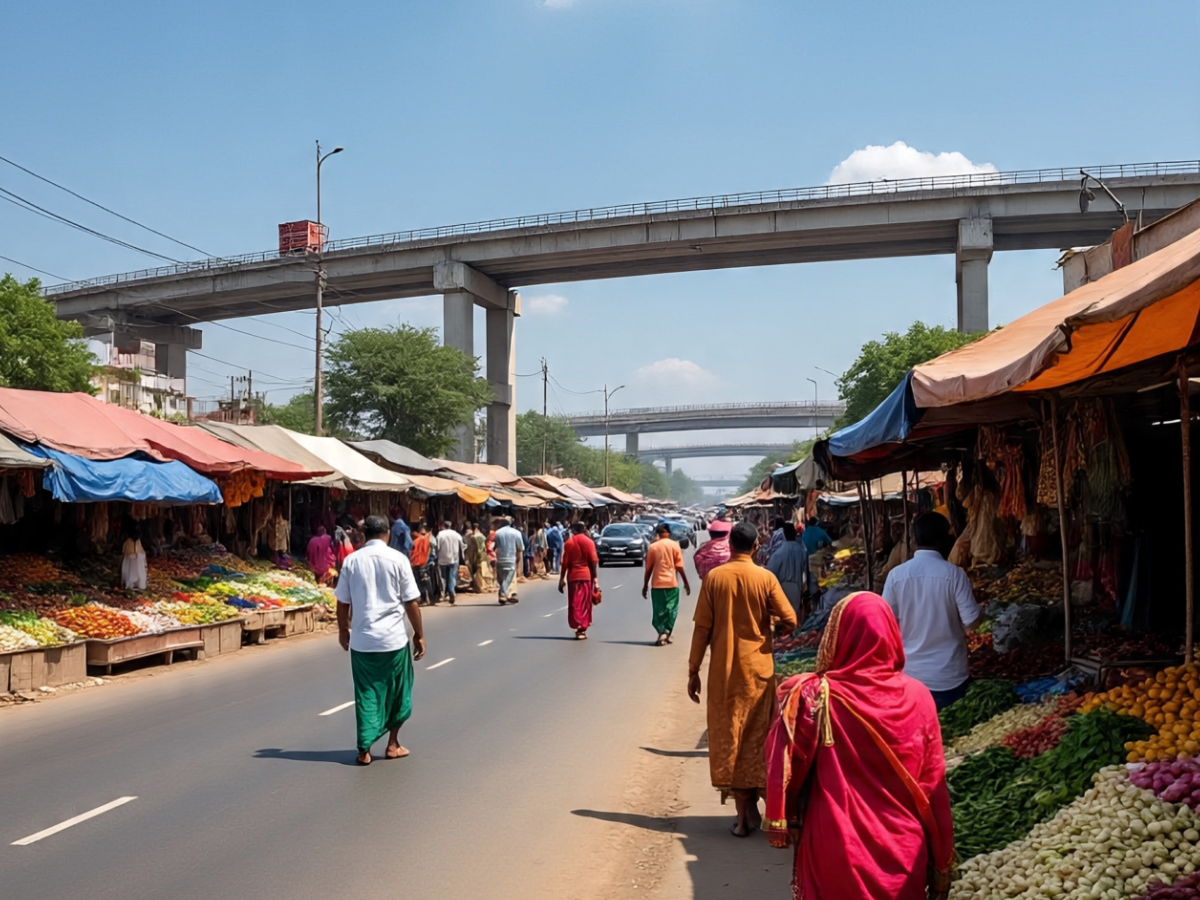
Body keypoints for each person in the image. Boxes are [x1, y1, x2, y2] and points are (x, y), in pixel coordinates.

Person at [765, 592, 954, 900]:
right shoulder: (920, 698)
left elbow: (787, 768)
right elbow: (934, 787)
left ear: (838, 636)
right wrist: (942, 861)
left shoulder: (816, 696)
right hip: (903, 853)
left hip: (836, 848)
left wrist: (791, 817)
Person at [687, 521, 798, 837]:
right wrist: (769, 629)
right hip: (758, 672)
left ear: (730, 545)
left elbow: (702, 630)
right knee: (758, 740)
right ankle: (764, 810)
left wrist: (693, 670)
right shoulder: (765, 578)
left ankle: (742, 818)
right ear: (756, 547)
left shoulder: (714, 578)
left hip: (723, 674)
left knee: (730, 739)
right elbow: (791, 618)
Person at [335, 516, 427, 766]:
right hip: (393, 641)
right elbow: (411, 602)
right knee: (397, 692)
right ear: (387, 533)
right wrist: (418, 635)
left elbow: (342, 603)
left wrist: (343, 631)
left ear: (364, 535)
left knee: (366, 694)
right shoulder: (398, 559)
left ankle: (364, 749)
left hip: (363, 642)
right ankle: (393, 744)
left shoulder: (351, 561)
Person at [882, 512, 981, 710]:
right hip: (949, 676)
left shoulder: (896, 576)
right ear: (942, 538)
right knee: (954, 736)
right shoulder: (954, 575)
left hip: (911, 674)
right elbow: (972, 621)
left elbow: (884, 622)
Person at [641, 522, 691, 646]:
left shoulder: (653, 547)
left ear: (658, 533)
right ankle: (666, 632)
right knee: (671, 609)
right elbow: (679, 567)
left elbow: (649, 569)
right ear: (668, 532)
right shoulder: (675, 546)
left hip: (657, 584)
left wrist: (645, 585)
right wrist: (686, 583)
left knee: (659, 610)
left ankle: (662, 633)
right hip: (671, 584)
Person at [558, 521, 598, 640]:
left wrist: (561, 579)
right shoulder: (589, 542)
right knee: (585, 603)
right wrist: (595, 578)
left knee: (575, 603)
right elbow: (593, 561)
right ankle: (582, 629)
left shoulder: (569, 543)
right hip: (586, 576)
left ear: (573, 530)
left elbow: (565, 563)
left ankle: (578, 626)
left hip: (573, 577)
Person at [766, 522, 812, 620]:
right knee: (793, 616)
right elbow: (807, 572)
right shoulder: (802, 550)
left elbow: (770, 572)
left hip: (782, 587)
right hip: (797, 586)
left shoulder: (778, 552)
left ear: (785, 535)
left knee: (782, 617)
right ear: (795, 534)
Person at [492, 516, 525, 605]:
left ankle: (505, 594)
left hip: (500, 559)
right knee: (508, 579)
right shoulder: (517, 533)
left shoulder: (497, 533)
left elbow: (494, 547)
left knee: (501, 579)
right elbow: (520, 548)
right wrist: (519, 560)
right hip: (511, 560)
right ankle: (503, 593)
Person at [435, 521, 465, 605]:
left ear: (443, 526)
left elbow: (437, 547)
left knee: (442, 577)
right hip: (454, 558)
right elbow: (463, 545)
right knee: (452, 576)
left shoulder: (440, 534)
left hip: (442, 559)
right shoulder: (456, 534)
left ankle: (442, 594)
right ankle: (451, 591)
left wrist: (436, 556)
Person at [410, 522, 434, 605]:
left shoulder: (415, 541)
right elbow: (429, 551)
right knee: (426, 581)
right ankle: (430, 599)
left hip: (416, 563)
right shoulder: (427, 540)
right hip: (425, 563)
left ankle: (423, 599)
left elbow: (412, 553)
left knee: (419, 582)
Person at [122, 525, 147, 591]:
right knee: (130, 572)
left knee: (139, 572)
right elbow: (127, 553)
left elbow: (141, 550)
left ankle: (138, 584)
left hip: (138, 561)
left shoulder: (138, 541)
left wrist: (140, 555)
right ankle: (130, 584)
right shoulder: (128, 542)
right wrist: (133, 555)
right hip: (130, 561)